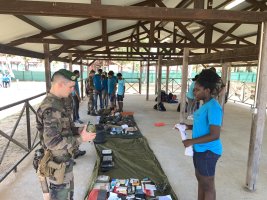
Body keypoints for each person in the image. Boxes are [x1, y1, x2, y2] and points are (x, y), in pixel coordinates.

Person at [36, 69, 96, 200]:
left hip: (64, 160)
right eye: (71, 87)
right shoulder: (51, 108)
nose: (73, 90)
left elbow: (64, 128)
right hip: (57, 163)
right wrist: (81, 139)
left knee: (68, 194)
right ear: (60, 85)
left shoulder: (59, 102)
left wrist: (78, 131)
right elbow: (52, 142)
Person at [182, 69, 224, 200]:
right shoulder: (204, 104)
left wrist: (191, 141)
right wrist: (187, 127)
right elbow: (202, 127)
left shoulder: (214, 107)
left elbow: (215, 134)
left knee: (208, 186)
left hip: (209, 151)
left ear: (207, 90)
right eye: (194, 89)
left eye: (197, 89)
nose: (194, 92)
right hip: (200, 149)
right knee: (201, 181)